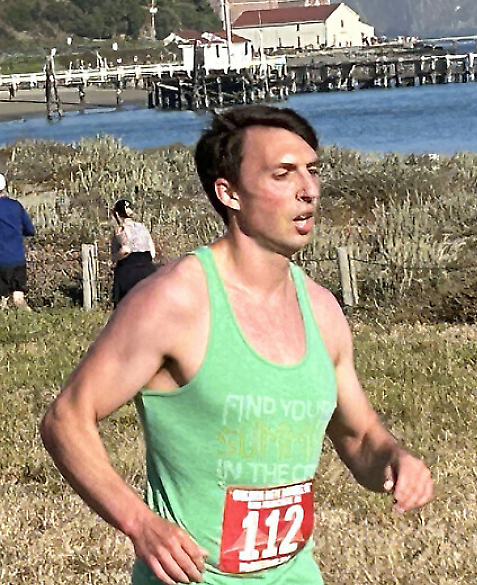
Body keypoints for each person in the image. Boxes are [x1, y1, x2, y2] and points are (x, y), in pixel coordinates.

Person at [40, 105, 433, 585]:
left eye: (312, 171)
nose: (308, 190)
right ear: (229, 193)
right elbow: (66, 419)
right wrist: (139, 523)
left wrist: (397, 461)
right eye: (282, 174)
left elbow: (359, 437)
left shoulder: (321, 309)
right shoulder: (174, 300)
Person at [111, 199, 156, 307]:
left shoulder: (121, 229)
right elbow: (152, 252)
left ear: (117, 214)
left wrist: (114, 258)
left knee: (125, 307)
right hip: (148, 268)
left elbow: (126, 249)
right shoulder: (142, 227)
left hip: (129, 271)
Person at [0, 173, 35, 310]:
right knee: (19, 299)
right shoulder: (16, 206)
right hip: (17, 259)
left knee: (2, 299)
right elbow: (29, 229)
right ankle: (33, 319)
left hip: (1, 261)